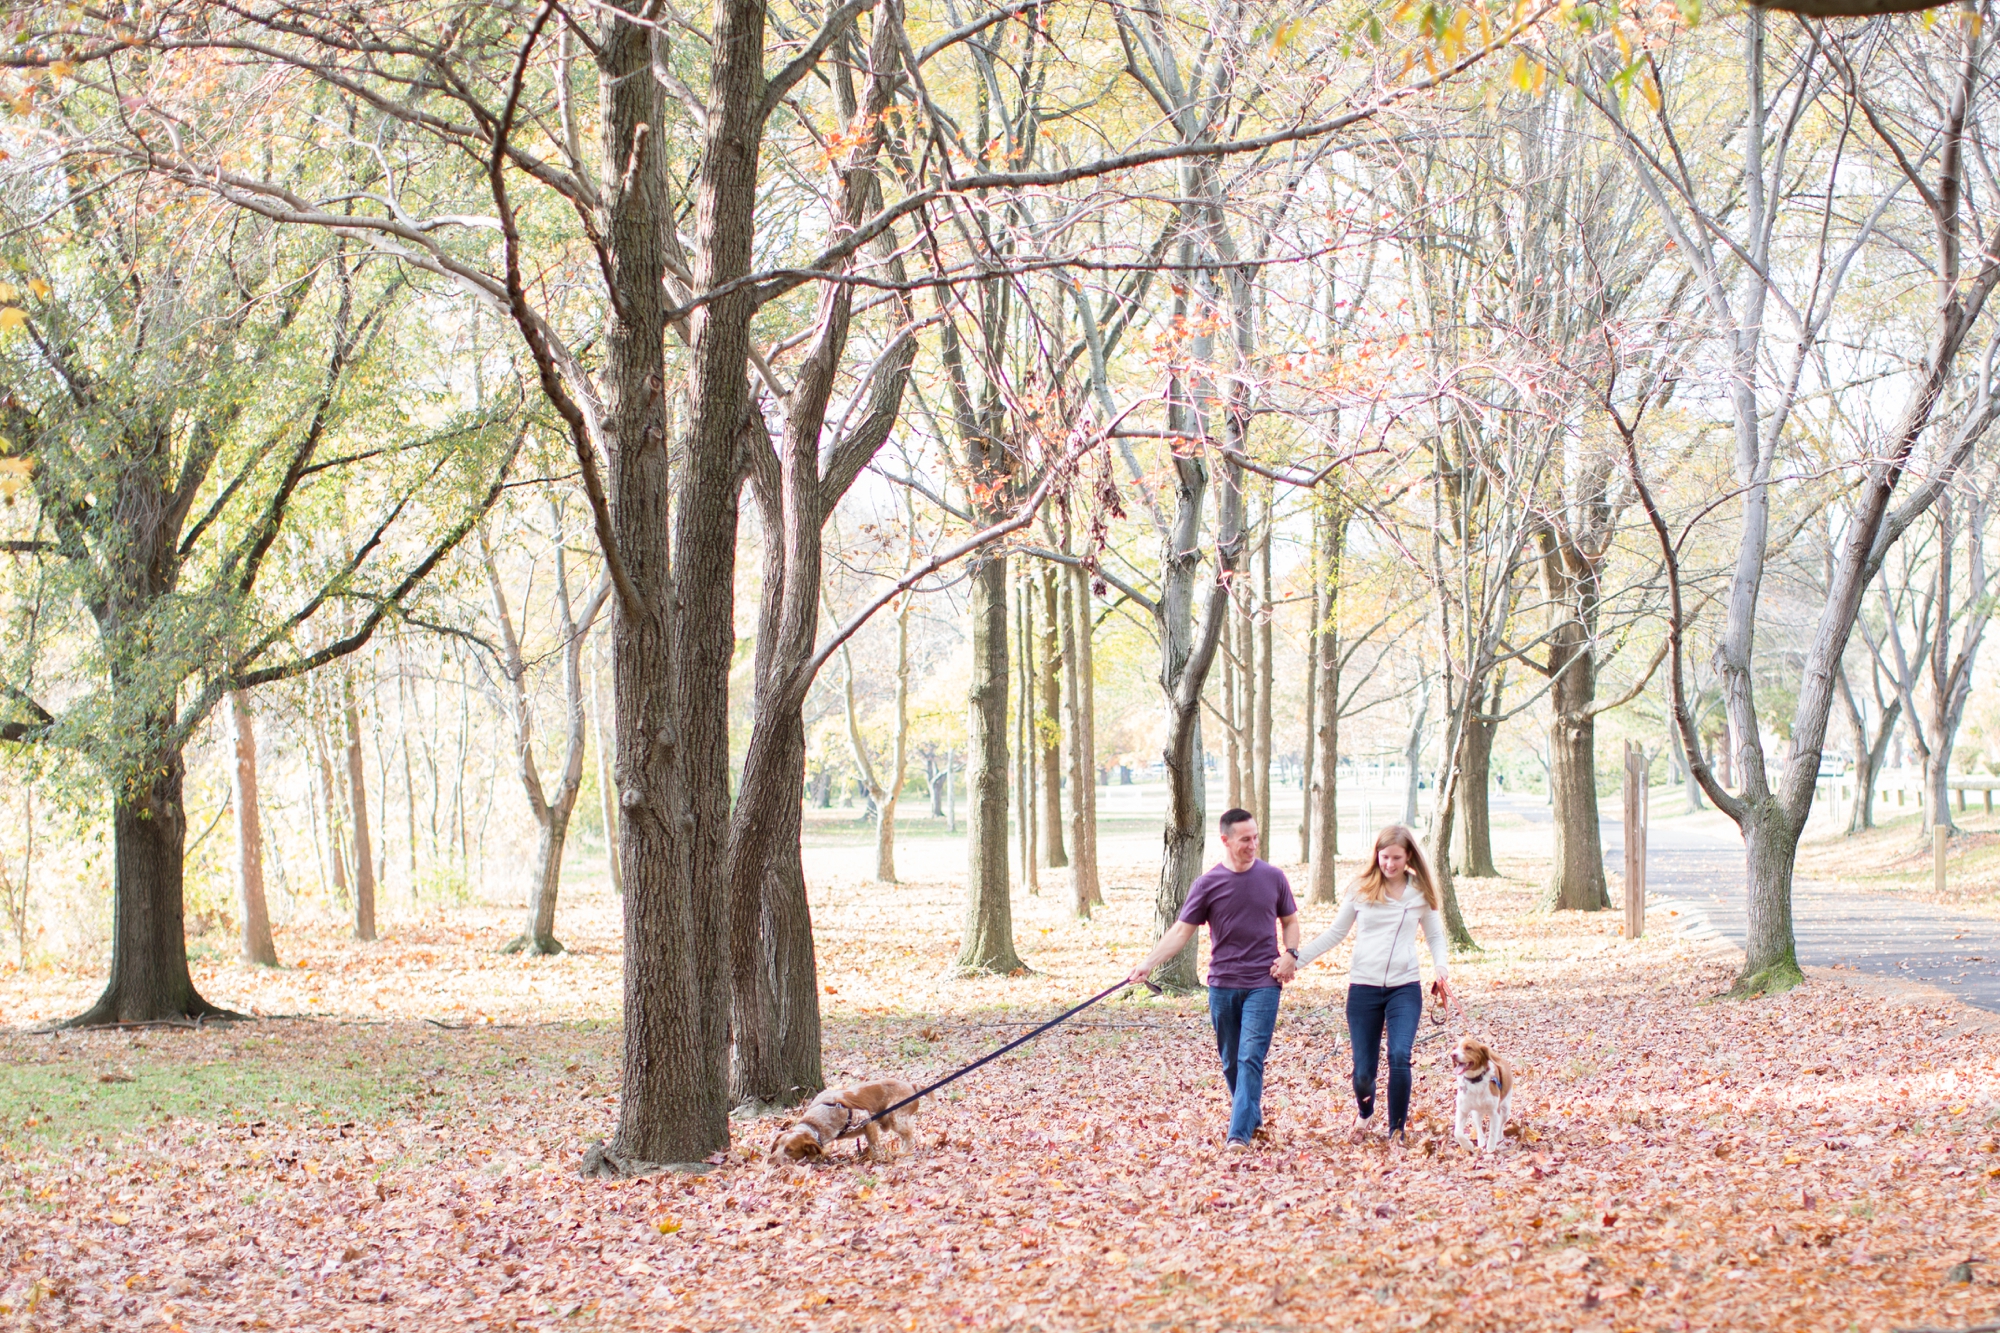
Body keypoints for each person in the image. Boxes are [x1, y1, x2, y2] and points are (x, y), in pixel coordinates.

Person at [1128, 808, 1300, 1151]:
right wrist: (1148, 963)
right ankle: (1250, 1115)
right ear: (1225, 841)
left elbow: (1290, 922)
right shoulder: (1208, 884)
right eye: (1245, 839)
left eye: (1256, 837)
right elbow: (1180, 931)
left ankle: (1238, 1135)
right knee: (1231, 1061)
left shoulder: (1273, 877)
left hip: (1263, 983)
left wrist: (1290, 954)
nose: (1253, 845)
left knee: (1251, 1055)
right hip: (1222, 985)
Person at [1288, 824, 1454, 1143]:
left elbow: (1434, 935)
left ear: (1409, 858)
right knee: (1363, 1073)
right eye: (1384, 857)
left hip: (1404, 988)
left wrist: (1441, 968)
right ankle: (1365, 1113)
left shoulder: (1419, 892)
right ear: (1376, 855)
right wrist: (1296, 959)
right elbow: (1336, 933)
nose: (1389, 864)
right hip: (1363, 989)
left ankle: (1397, 1130)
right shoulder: (1361, 889)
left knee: (1399, 1056)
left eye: (1396, 858)